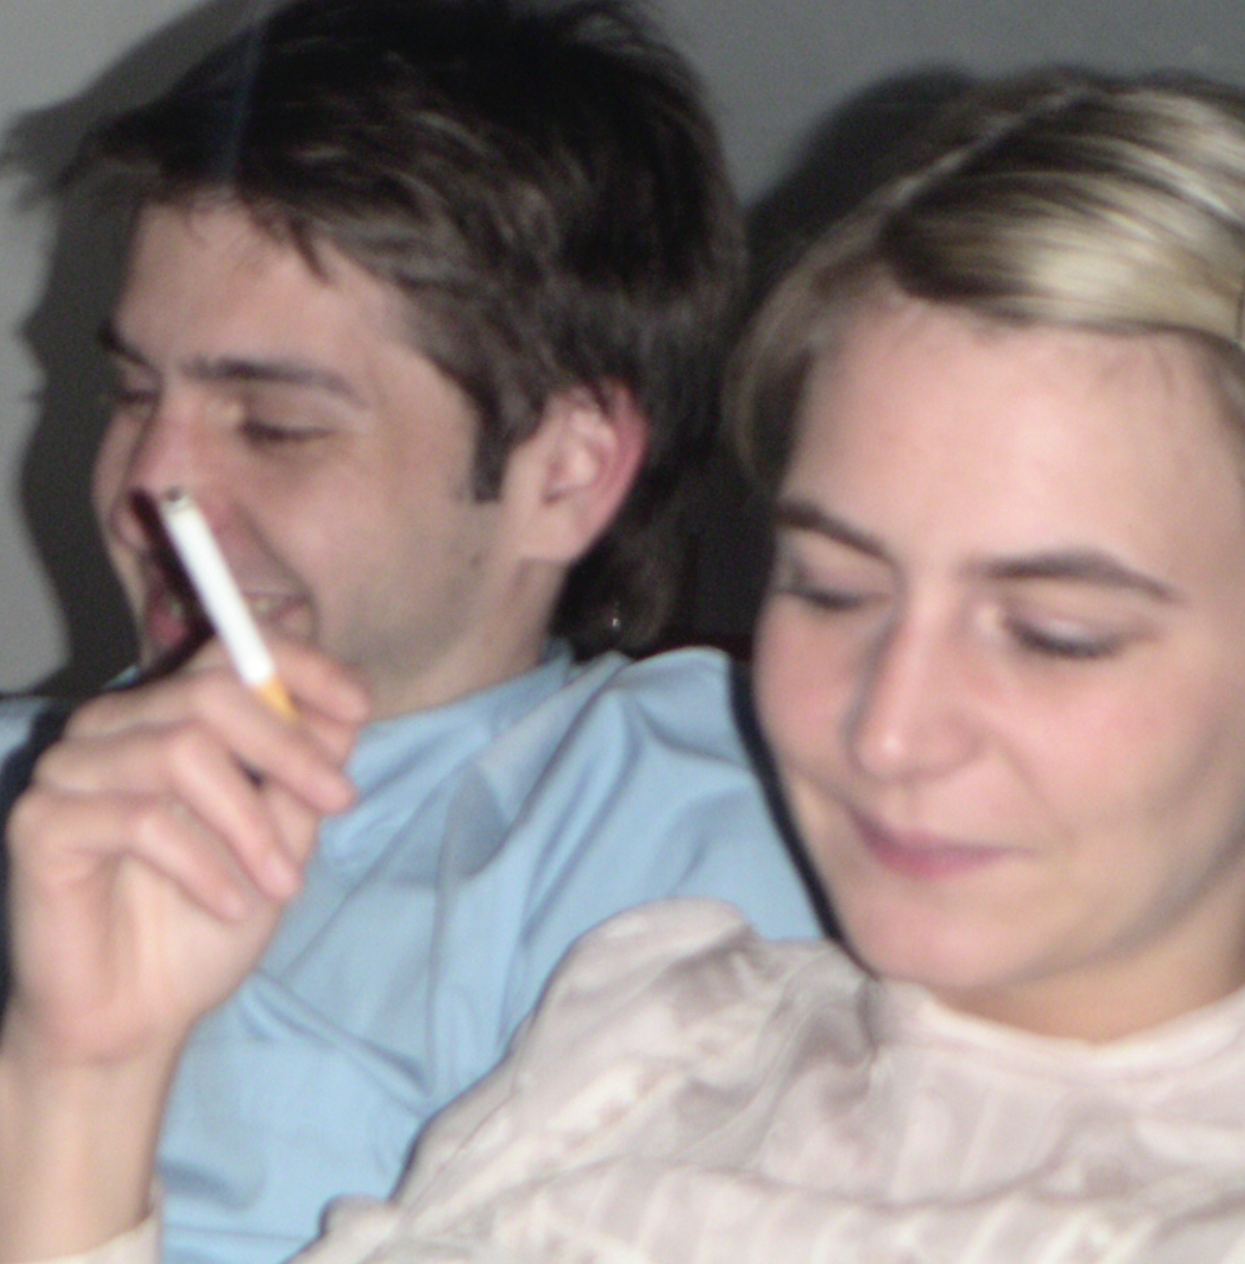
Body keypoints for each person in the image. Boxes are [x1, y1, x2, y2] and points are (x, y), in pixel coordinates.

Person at [3, 65, 1245, 1263]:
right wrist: (92, 1077)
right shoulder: (658, 1041)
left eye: (1055, 633)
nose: (888, 730)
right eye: (832, 588)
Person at [0, 1, 823, 1261]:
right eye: (132, 391)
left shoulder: (670, 835)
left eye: (276, 425)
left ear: (565, 470)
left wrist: (84, 1079)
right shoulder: (29, 774)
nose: (149, 487)